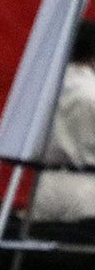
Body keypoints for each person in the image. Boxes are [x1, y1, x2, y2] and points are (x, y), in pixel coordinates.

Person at [29, 20, 95, 222]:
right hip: (85, 189)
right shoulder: (91, 90)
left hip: (44, 186)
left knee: (36, 251)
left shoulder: (41, 89)